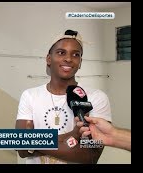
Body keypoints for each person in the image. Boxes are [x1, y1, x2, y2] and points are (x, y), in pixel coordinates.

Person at [15, 29, 112, 164]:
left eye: (75, 54)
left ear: (80, 62)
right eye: (61, 53)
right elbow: (21, 149)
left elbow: (90, 155)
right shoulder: (29, 95)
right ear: (49, 59)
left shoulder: (96, 97)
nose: (68, 59)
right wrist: (73, 135)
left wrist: (33, 142)